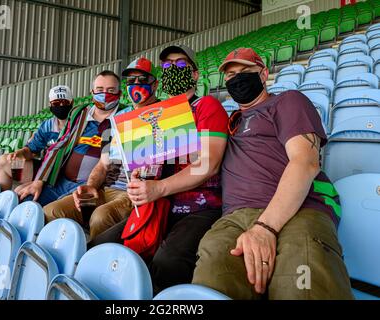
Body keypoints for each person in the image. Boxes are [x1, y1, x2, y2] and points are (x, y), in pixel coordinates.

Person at [192, 48, 354, 300]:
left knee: (301, 281)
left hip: (299, 208)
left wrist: (264, 227)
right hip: (235, 218)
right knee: (211, 281)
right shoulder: (230, 123)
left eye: (245, 72)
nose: (237, 79)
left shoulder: (288, 101)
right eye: (231, 75)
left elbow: (305, 162)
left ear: (264, 74)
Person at [89, 45, 229, 293]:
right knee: (100, 247)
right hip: (159, 206)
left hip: (199, 207)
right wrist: (139, 180)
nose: (173, 69)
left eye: (181, 64)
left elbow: (209, 164)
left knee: (167, 263)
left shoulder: (206, 106)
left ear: (195, 74)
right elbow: (146, 167)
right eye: (167, 66)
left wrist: (159, 187)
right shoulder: (157, 114)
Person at [44, 57, 161, 240]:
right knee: (52, 210)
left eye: (143, 80)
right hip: (106, 188)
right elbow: (103, 162)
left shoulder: (166, 113)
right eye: (131, 81)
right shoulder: (117, 118)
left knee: (100, 218)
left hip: (134, 192)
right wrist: (90, 186)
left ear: (155, 85)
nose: (136, 85)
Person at [15, 71, 124, 209]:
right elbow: (58, 146)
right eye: (100, 90)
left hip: (90, 186)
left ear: (119, 94)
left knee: (49, 212)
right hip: (59, 180)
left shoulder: (124, 119)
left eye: (111, 90)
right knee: (24, 202)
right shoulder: (79, 114)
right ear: (92, 92)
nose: (105, 94)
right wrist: (39, 181)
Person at [0, 85, 71, 191]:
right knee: (2, 162)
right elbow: (30, 151)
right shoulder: (47, 126)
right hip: (46, 171)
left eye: (64, 102)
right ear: (50, 105)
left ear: (72, 102)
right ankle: (0, 203)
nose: (60, 106)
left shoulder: (81, 124)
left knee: (19, 191)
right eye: (56, 103)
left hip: (68, 175)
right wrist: (20, 153)